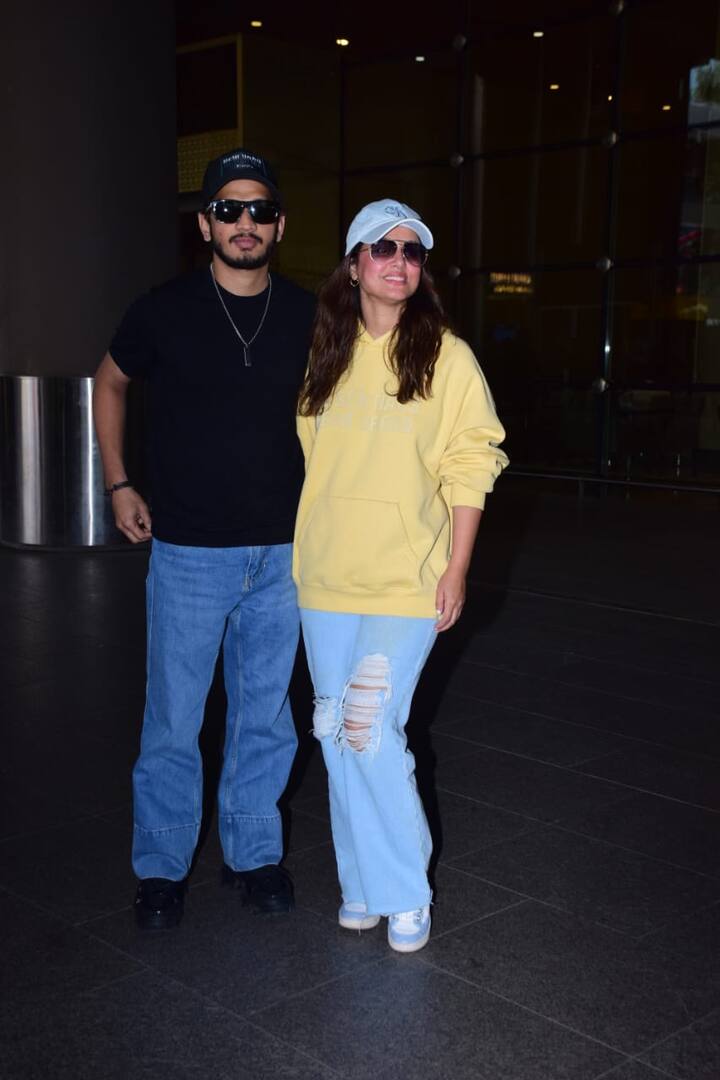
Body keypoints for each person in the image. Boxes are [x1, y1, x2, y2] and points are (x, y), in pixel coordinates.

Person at [93, 148, 315, 929]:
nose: (244, 222)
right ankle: (160, 868)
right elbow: (109, 380)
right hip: (188, 550)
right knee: (174, 719)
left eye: (258, 209)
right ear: (205, 223)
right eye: (229, 208)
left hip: (284, 553)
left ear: (279, 224)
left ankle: (254, 856)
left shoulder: (306, 314)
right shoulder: (162, 309)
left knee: (265, 715)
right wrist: (119, 482)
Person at [294, 199, 508, 953]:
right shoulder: (326, 351)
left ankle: (406, 891)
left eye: (412, 251)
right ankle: (360, 884)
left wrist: (456, 569)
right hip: (325, 578)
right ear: (352, 264)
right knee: (331, 730)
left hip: (405, 581)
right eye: (382, 247)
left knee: (369, 729)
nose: (399, 260)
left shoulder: (445, 356)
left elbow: (472, 462)